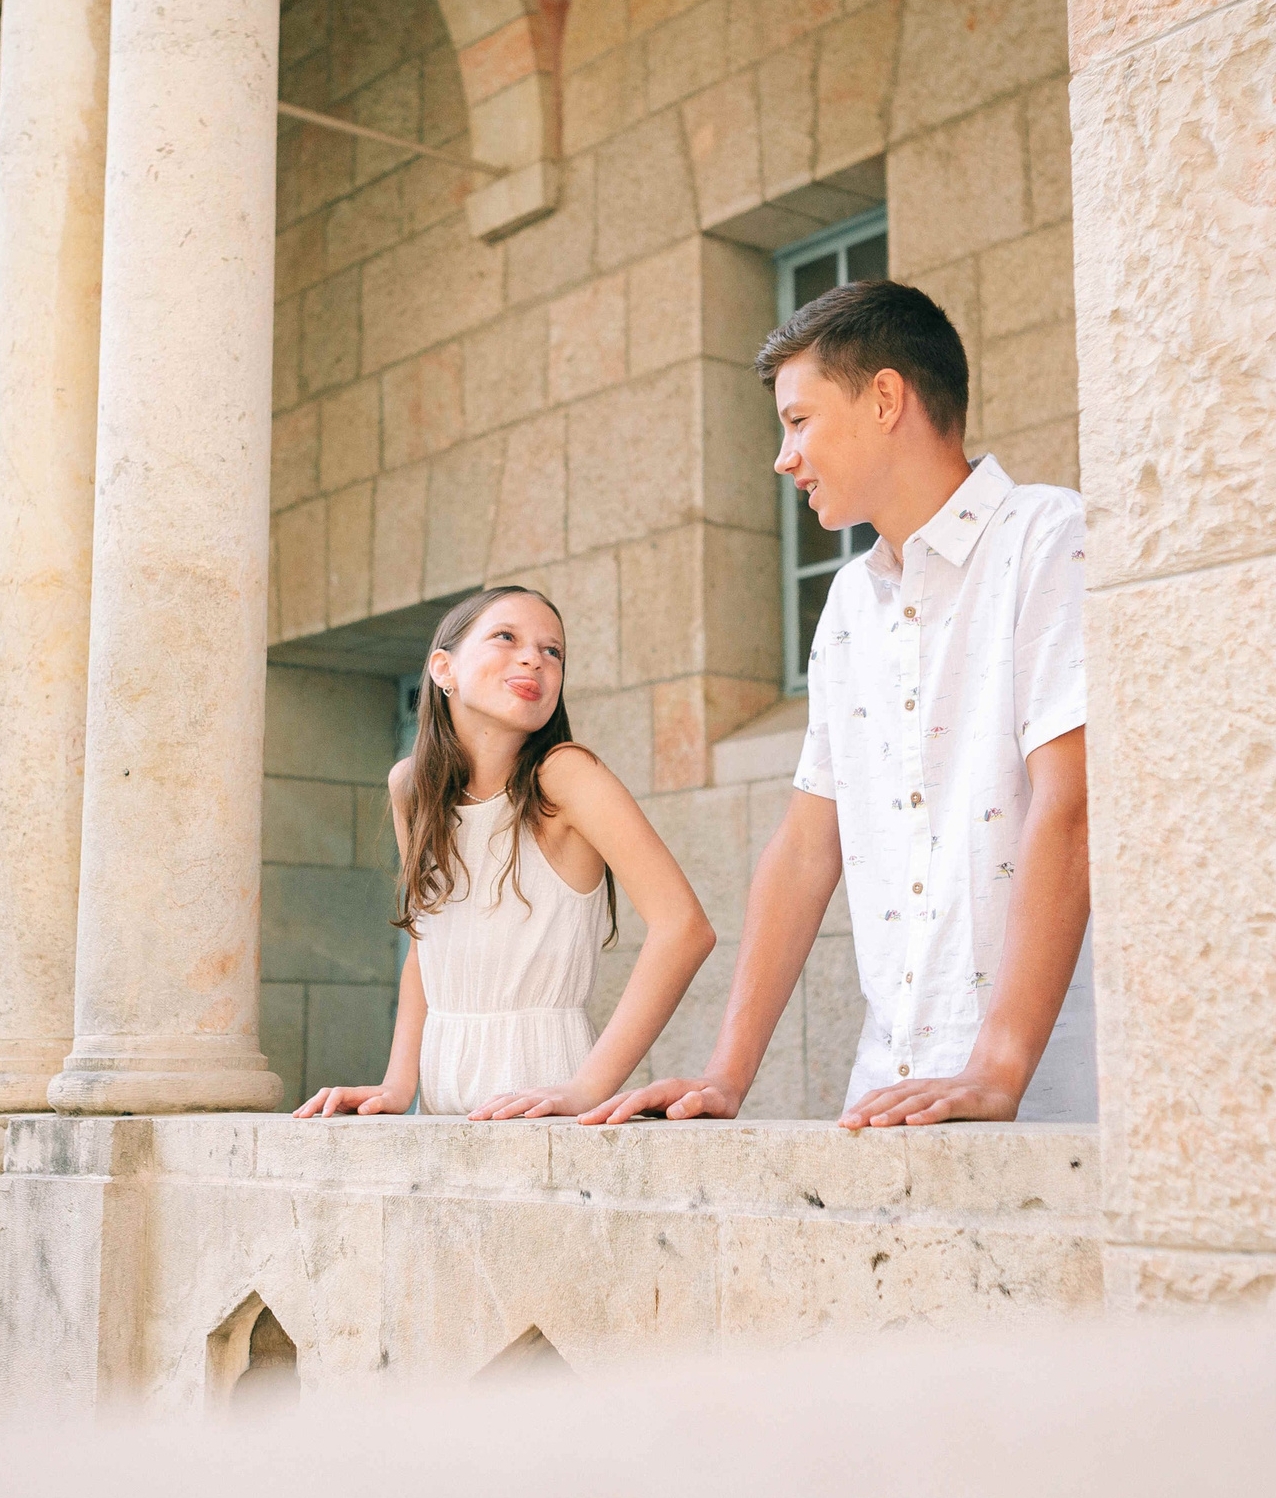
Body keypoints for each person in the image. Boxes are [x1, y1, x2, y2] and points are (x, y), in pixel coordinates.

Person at [587, 279, 1094, 1128]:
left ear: (886, 398)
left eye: (798, 420)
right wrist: (724, 1078)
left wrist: (999, 1067)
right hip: (885, 1092)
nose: (783, 458)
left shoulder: (1050, 537)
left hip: (1045, 1096)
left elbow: (1073, 804)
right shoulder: (851, 604)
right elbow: (803, 848)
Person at [295, 586, 716, 1120]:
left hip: (545, 1095)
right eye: (506, 637)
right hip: (441, 1101)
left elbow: (685, 926)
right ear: (443, 669)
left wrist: (588, 1088)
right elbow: (428, 944)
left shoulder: (564, 776)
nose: (533, 658)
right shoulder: (411, 787)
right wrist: (397, 1086)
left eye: (553, 651)